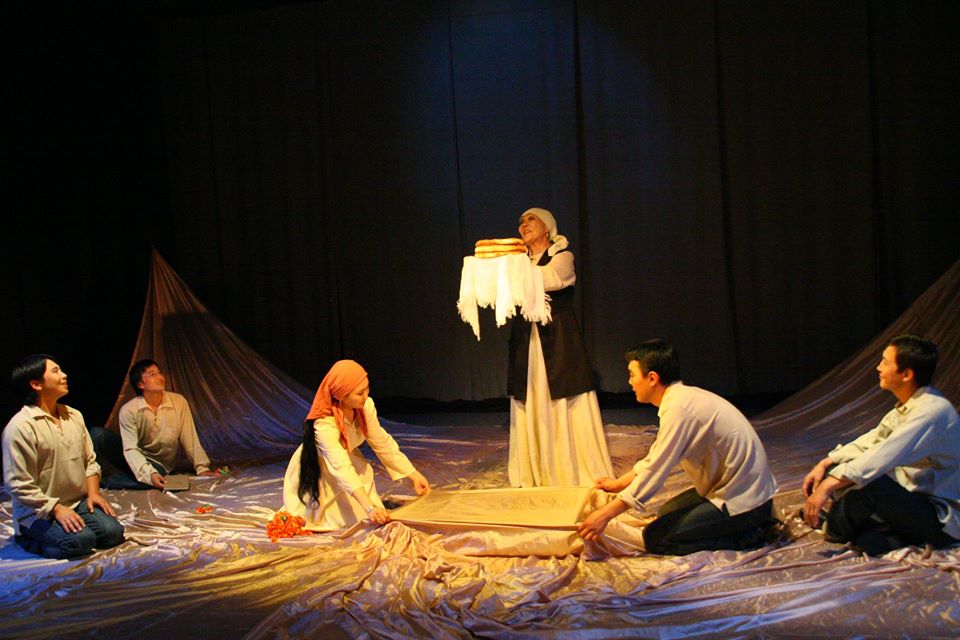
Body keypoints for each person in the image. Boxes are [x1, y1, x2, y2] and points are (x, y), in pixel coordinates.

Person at [578, 340, 778, 555]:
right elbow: (656, 455)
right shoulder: (680, 399)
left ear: (652, 378)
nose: (630, 382)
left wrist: (606, 514)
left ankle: (750, 536)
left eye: (632, 375)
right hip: (730, 488)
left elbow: (656, 470)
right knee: (665, 514)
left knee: (656, 539)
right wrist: (619, 484)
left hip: (746, 502)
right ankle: (740, 526)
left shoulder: (679, 409)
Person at [802, 334, 960, 555]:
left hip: (939, 521)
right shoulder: (911, 405)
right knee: (839, 470)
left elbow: (882, 456)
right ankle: (885, 534)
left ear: (907, 374)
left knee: (870, 482)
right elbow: (871, 441)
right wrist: (826, 463)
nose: (878, 367)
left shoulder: (933, 411)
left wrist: (827, 487)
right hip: (913, 503)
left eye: (885, 362)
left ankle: (836, 529)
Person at [507, 207, 613, 487]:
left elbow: (550, 279)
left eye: (531, 220)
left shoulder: (562, 256)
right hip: (527, 340)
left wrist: (509, 271)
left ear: (547, 227)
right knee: (529, 392)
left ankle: (564, 465)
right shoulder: (519, 261)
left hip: (558, 338)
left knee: (560, 394)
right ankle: (535, 466)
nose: (524, 225)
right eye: (521, 221)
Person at [281, 360, 430, 531]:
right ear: (341, 396)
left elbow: (381, 441)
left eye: (367, 389)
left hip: (347, 460)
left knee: (364, 511)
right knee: (342, 518)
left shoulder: (365, 406)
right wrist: (369, 507)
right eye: (359, 393)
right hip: (323, 467)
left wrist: (412, 474)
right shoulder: (325, 422)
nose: (366, 396)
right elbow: (340, 466)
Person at [2, 355, 124, 558]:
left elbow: (89, 460)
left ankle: (73, 528)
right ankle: (26, 538)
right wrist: (56, 509)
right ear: (36, 384)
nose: (64, 375)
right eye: (55, 371)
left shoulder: (73, 415)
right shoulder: (21, 427)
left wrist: (94, 493)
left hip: (76, 502)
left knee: (113, 534)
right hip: (37, 511)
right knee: (81, 542)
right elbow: (18, 484)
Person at [90, 359, 223, 490]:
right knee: (98, 434)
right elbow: (130, 448)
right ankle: (94, 477)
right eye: (152, 374)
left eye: (160, 372)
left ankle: (104, 481)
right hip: (135, 455)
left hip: (160, 464)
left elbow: (190, 438)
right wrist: (149, 474)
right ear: (140, 384)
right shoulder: (129, 410)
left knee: (154, 477)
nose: (160, 377)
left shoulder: (178, 401)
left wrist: (202, 468)